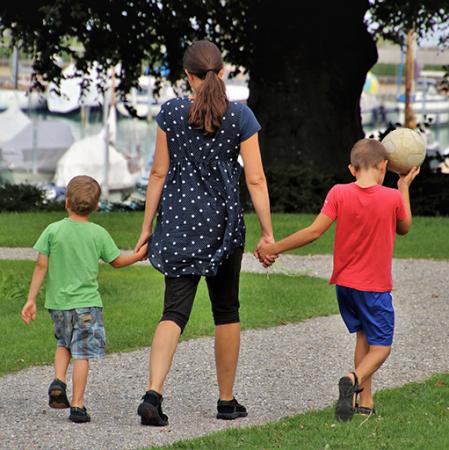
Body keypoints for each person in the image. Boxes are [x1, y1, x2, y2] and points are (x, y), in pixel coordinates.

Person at [134, 40, 273, 426]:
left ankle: (153, 393)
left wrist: (147, 228)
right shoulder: (241, 116)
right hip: (224, 228)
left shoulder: (172, 112)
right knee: (226, 310)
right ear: (223, 72)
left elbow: (158, 173)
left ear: (187, 75)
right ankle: (226, 402)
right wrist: (267, 232)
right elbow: (256, 178)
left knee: (173, 312)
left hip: (178, 225)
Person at [257, 139, 420, 422]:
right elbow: (404, 228)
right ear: (384, 167)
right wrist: (403, 188)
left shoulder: (339, 192)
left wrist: (273, 248)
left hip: (345, 285)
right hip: (374, 287)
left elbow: (313, 232)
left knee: (364, 336)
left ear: (351, 168)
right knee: (382, 347)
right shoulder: (391, 198)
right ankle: (352, 378)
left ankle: (364, 403)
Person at [21, 175, 148, 423]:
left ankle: (59, 380)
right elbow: (117, 262)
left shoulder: (52, 230)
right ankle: (77, 405)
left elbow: (40, 266)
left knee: (63, 343)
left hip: (57, 304)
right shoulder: (98, 233)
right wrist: (139, 255)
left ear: (66, 201)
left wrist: (30, 299)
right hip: (87, 305)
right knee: (81, 353)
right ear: (97, 206)